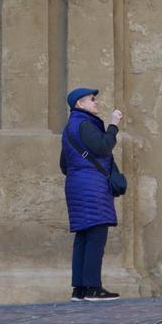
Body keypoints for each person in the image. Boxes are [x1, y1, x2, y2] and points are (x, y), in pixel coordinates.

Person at [59, 87, 123, 302]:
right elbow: (104, 147)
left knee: (84, 237)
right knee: (96, 236)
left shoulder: (70, 127)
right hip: (92, 186)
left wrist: (80, 173)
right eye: (92, 99)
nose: (96, 102)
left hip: (77, 184)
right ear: (80, 104)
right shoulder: (85, 124)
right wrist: (114, 125)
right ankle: (94, 289)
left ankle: (79, 289)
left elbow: (63, 164)